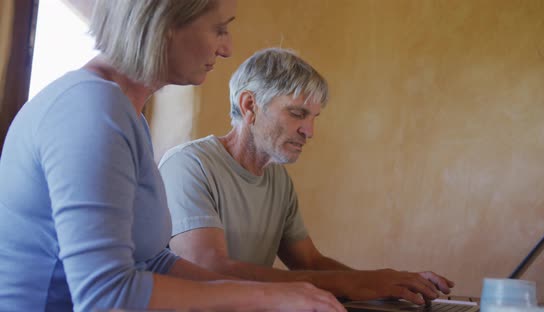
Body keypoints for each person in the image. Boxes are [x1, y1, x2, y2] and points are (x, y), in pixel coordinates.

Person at [0, 1, 345, 311]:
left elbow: (152, 262)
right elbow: (106, 296)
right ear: (165, 22)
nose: (227, 48)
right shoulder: (91, 109)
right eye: (219, 29)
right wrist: (267, 297)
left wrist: (285, 292)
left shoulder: (126, 114)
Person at [158, 47, 456, 305]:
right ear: (249, 105)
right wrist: (354, 284)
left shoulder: (277, 180)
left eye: (314, 118)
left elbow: (309, 262)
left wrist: (385, 287)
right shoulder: (189, 165)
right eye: (297, 114)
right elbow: (209, 269)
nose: (309, 132)